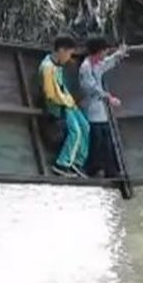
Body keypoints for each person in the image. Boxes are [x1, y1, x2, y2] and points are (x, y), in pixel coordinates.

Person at [39, 34, 90, 177]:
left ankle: (77, 161)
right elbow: (50, 94)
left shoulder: (58, 65)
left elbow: (61, 87)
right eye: (68, 53)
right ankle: (62, 164)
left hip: (67, 103)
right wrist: (66, 101)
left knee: (85, 126)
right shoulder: (47, 67)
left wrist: (70, 101)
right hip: (57, 106)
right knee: (76, 131)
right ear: (61, 50)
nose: (69, 57)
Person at [79, 36, 128, 178]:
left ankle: (111, 171)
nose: (105, 54)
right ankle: (91, 170)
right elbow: (91, 87)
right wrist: (109, 97)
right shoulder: (85, 67)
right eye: (104, 51)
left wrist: (119, 54)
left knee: (106, 141)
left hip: (100, 111)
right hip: (90, 109)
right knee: (96, 142)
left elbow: (108, 63)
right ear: (97, 52)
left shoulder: (97, 64)